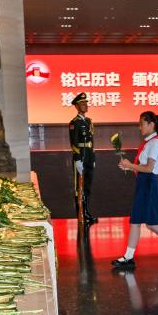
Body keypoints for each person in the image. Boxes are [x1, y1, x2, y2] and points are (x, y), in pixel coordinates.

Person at [111, 112, 158, 269]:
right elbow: (143, 167)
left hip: (149, 184)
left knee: (152, 224)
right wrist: (130, 167)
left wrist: (130, 165)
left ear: (151, 124)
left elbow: (149, 168)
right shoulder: (149, 143)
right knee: (135, 221)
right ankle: (128, 256)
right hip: (143, 183)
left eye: (142, 124)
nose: (140, 127)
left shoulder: (154, 143)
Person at [69, 92, 98, 224]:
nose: (85, 105)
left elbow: (91, 140)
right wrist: (77, 159)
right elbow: (74, 143)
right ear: (76, 106)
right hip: (80, 157)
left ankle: (86, 212)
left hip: (89, 156)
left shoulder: (88, 121)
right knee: (79, 187)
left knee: (87, 186)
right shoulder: (74, 123)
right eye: (82, 103)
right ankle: (80, 214)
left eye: (86, 103)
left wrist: (93, 157)